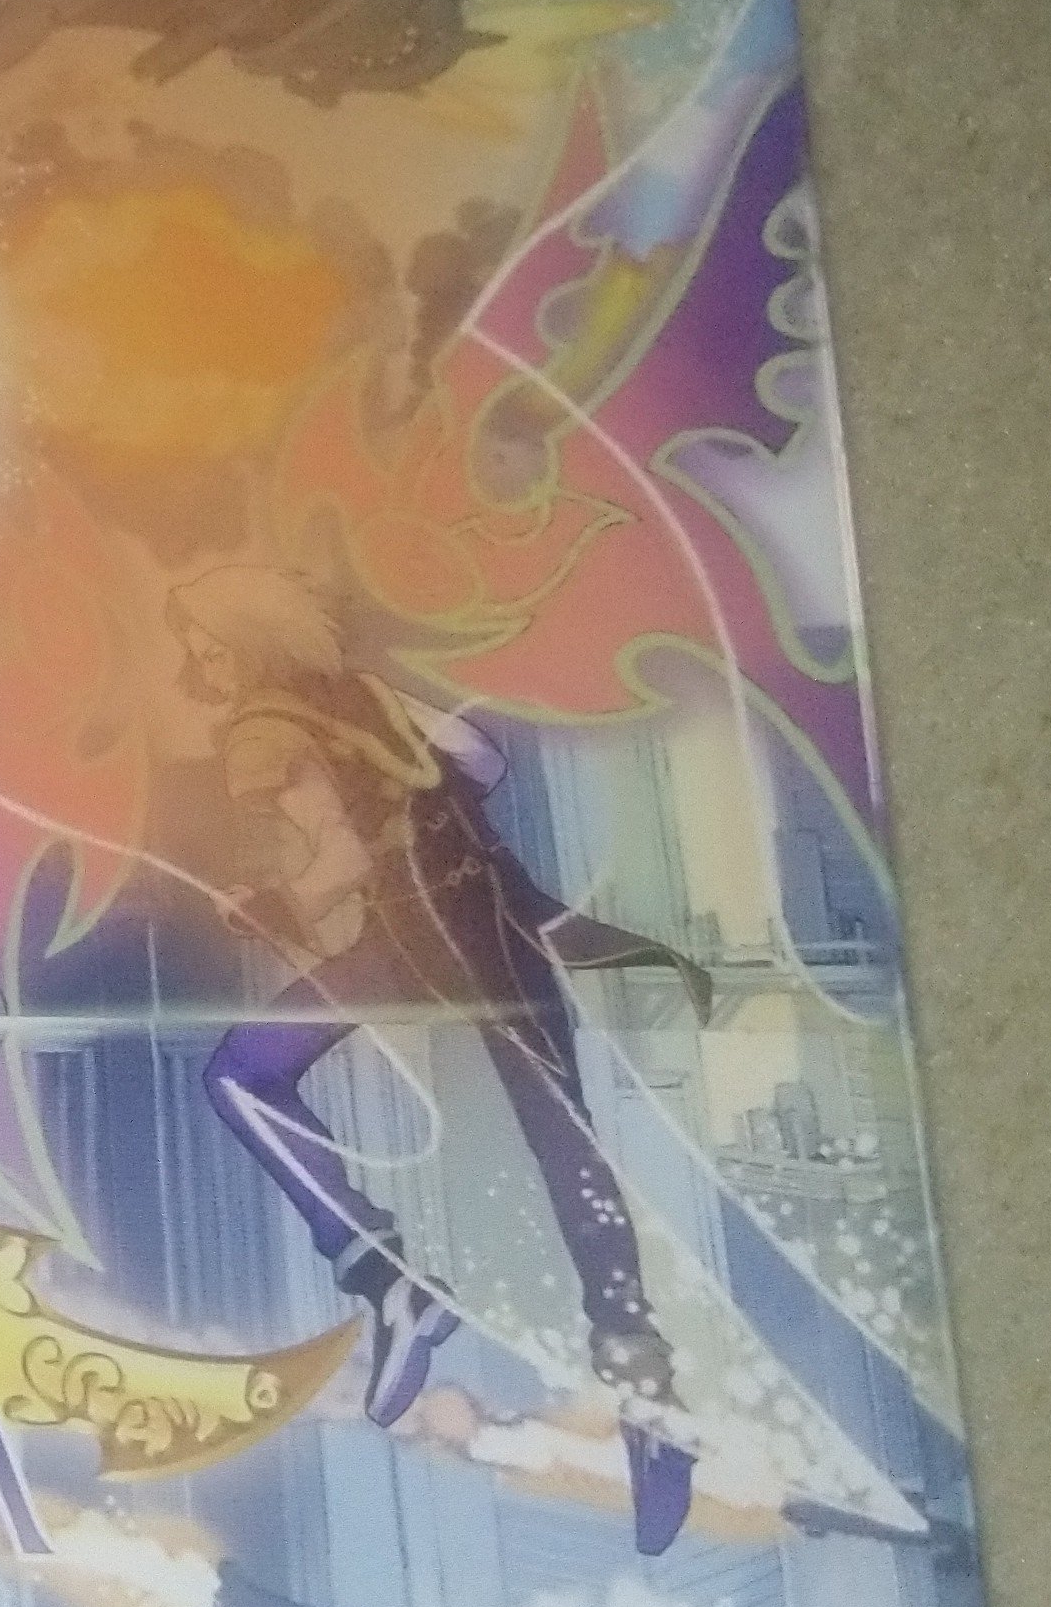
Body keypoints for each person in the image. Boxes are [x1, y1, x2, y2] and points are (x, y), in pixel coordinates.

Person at [168, 562, 709, 1556]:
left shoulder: (262, 733)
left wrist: (270, 905)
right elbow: (482, 762)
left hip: (426, 942)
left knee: (246, 1077)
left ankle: (385, 1273)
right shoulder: (364, 695)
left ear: (246, 641)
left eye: (208, 646)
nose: (199, 665)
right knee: (565, 1148)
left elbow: (342, 859)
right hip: (475, 923)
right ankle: (643, 1392)